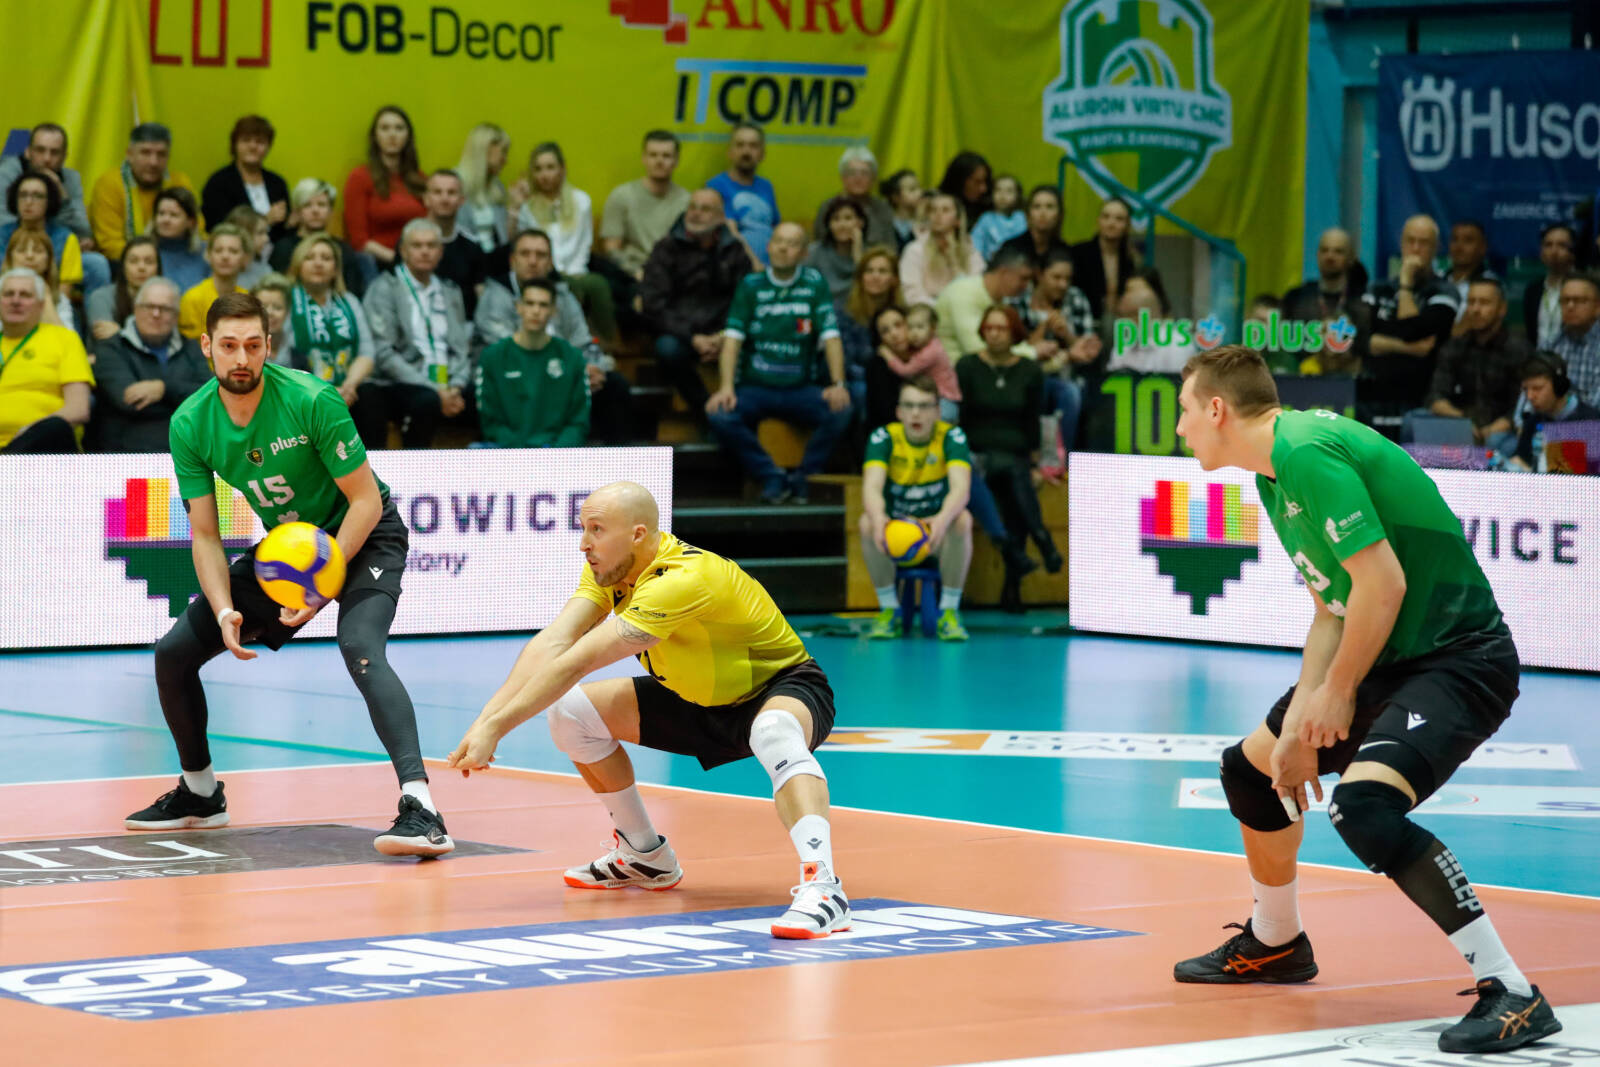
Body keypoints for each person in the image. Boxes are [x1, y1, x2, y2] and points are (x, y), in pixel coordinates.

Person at [1170, 346, 1562, 1056]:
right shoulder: (1273, 474)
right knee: (1251, 771)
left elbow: (1383, 585)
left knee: (1364, 806)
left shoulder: (1306, 452)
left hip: (1460, 658)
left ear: (1217, 409)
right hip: (1391, 654)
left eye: (1184, 411)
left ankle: (1513, 991)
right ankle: (1276, 942)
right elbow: (1333, 607)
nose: (1180, 428)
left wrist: (1339, 692)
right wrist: (1302, 721)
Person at [123, 292, 451, 856]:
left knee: (361, 647)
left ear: (269, 346)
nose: (241, 358)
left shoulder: (311, 399)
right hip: (291, 550)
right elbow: (205, 535)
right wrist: (223, 609)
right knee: (173, 653)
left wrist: (323, 585)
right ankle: (200, 793)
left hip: (365, 533)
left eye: (253, 345)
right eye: (229, 346)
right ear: (206, 347)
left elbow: (366, 501)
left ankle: (423, 809)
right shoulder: (191, 422)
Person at [446, 481, 851, 939]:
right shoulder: (611, 570)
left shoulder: (682, 579)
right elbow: (555, 642)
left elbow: (577, 661)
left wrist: (498, 727)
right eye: (583, 528)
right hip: (692, 699)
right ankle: (644, 855)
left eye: (597, 529)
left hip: (779, 688)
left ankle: (824, 888)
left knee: (774, 730)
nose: (584, 543)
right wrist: (485, 721)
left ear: (638, 534)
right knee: (571, 714)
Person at [708, 222, 851, 505]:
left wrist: (838, 383)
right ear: (769, 246)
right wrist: (726, 387)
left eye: (792, 243)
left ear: (804, 252)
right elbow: (732, 340)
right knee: (720, 414)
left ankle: (804, 478)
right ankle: (770, 476)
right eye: (779, 242)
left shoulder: (814, 283)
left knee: (842, 409)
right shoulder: (751, 285)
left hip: (801, 389)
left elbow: (832, 338)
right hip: (756, 388)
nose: (784, 248)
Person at [474, 228, 631, 445]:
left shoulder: (563, 296)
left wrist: (592, 366)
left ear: (550, 262)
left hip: (561, 372)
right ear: (512, 260)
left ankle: (614, 459)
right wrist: (566, 368)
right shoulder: (495, 294)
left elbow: (582, 341)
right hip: (514, 376)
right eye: (525, 254)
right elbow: (505, 348)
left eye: (540, 255)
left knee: (613, 385)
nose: (533, 261)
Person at [956, 305, 1062, 608]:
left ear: (1014, 332)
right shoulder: (967, 366)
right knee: (1013, 481)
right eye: (989, 328)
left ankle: (1013, 582)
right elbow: (961, 418)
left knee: (1015, 491)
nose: (994, 334)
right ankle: (1041, 541)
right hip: (977, 456)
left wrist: (1037, 465)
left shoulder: (1029, 371)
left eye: (1001, 328)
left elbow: (1034, 421)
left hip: (1016, 456)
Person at [861, 376, 972, 641]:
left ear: (937, 411)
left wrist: (942, 519)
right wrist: (879, 518)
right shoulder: (884, 437)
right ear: (899, 411)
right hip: (896, 531)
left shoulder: (952, 436)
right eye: (909, 405)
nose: (915, 413)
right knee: (866, 522)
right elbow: (872, 486)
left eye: (924, 406)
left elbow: (961, 488)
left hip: (936, 531)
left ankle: (949, 613)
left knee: (962, 519)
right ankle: (889, 611)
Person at [638, 188, 753, 414]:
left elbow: (746, 299)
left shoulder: (734, 250)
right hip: (680, 333)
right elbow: (654, 305)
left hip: (723, 331)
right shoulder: (666, 247)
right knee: (667, 349)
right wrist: (692, 337)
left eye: (705, 209)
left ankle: (746, 411)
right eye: (692, 207)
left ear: (721, 218)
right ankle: (706, 410)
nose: (696, 213)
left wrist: (724, 335)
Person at [362, 218, 472, 448]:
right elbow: (384, 354)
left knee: (488, 394)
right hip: (402, 381)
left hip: (449, 380)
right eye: (417, 245)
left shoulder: (451, 291)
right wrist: (434, 389)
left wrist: (456, 386)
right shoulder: (384, 288)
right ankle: (414, 468)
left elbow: (462, 349)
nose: (425, 251)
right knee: (426, 401)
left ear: (441, 252)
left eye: (431, 245)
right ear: (403, 250)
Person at [89, 277, 210, 452]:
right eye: (149, 306)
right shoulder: (111, 348)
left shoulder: (191, 348)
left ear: (176, 316)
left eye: (165, 309)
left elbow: (209, 398)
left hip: (188, 450)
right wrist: (185, 400)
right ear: (135, 309)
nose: (156, 314)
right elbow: (128, 402)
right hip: (127, 453)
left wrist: (163, 389)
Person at [512, 142, 615, 343]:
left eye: (550, 167)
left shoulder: (581, 201)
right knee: (566, 287)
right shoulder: (528, 208)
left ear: (562, 168)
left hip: (576, 270)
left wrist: (576, 271)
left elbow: (584, 242)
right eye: (538, 169)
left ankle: (607, 344)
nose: (545, 175)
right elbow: (524, 245)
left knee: (597, 284)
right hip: (543, 271)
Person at [474, 278, 589, 448]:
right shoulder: (493, 357)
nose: (536, 311)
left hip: (556, 453)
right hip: (508, 451)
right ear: (518, 307)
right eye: (529, 303)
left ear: (553, 310)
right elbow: (490, 422)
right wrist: (525, 455)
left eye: (543, 305)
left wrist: (555, 454)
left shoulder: (572, 357)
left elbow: (578, 421)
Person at [1364, 214, 1460, 413]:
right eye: (1410, 241)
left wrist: (1405, 284)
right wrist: (1409, 348)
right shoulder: (1377, 289)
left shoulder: (1445, 292)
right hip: (1374, 394)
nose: (1415, 248)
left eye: (1423, 243)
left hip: (1421, 397)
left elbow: (1411, 331)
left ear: (1436, 248)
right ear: (1401, 244)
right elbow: (1360, 339)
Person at [1420, 279, 1526, 450]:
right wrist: (1463, 422)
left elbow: (1522, 405)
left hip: (1501, 429)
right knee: (1413, 419)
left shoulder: (1518, 350)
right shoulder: (1455, 346)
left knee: (1496, 442)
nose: (1476, 309)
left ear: (1502, 309)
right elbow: (1436, 396)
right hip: (1459, 423)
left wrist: (1494, 429)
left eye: (1484, 303)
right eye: (1471, 302)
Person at [0, 268, 92, 453]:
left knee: (55, 427)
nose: (15, 301)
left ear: (41, 305)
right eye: (8, 294)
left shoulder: (64, 339)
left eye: (25, 295)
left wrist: (30, 431)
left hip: (42, 448)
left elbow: (79, 408)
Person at [282, 235, 376, 413]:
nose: (318, 264)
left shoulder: (349, 301)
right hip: (301, 388)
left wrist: (349, 385)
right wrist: (323, 390)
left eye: (326, 258)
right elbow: (283, 356)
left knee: (371, 395)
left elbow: (366, 351)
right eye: (310, 258)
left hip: (347, 388)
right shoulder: (286, 301)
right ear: (298, 265)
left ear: (335, 269)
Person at [89, 123, 197, 261]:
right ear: (129, 154)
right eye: (145, 153)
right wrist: (150, 262)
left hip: (178, 257)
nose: (153, 162)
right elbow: (110, 244)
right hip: (127, 262)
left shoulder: (179, 182)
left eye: (161, 154)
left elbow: (196, 229)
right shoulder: (110, 184)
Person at [343, 106, 427, 270]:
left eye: (399, 128)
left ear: (408, 136)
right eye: (385, 128)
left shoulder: (420, 178)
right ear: (375, 136)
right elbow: (359, 241)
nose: (392, 135)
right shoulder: (360, 177)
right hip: (378, 264)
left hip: (420, 262)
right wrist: (399, 260)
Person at [599, 130, 690, 280]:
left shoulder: (686, 201)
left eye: (666, 156)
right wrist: (636, 272)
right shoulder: (622, 196)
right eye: (653, 155)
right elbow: (611, 248)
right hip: (632, 274)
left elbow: (691, 248)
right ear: (644, 158)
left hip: (673, 274)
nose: (659, 161)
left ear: (676, 160)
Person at [1282, 227, 1370, 376]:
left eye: (1338, 251)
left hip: (1349, 379)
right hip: (1303, 378)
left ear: (1351, 258)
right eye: (1324, 250)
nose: (1330, 256)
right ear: (1317, 255)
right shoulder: (1296, 298)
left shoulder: (1363, 301)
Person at [865, 304, 959, 429]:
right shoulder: (877, 366)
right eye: (885, 331)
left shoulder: (925, 350)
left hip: (943, 402)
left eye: (899, 325)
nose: (894, 334)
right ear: (880, 339)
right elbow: (885, 415)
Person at [935, 244, 1035, 359]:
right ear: (1004, 272)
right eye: (1023, 278)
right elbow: (976, 348)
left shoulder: (1002, 299)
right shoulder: (963, 292)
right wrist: (1033, 353)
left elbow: (1014, 341)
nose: (1026, 286)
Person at [268, 178, 366, 295]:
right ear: (297, 211)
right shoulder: (283, 248)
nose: (315, 210)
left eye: (321, 205)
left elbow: (352, 291)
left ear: (331, 211)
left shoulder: (343, 249)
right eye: (307, 205)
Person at [200, 115, 289, 242]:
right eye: (246, 140)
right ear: (234, 144)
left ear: (268, 146)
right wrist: (265, 221)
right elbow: (217, 227)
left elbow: (284, 228)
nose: (253, 146)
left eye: (260, 142)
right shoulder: (218, 183)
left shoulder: (277, 183)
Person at [836, 246, 903, 413]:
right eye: (869, 271)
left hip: (897, 375)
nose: (875, 276)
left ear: (894, 279)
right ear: (861, 277)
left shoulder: (902, 313)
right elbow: (846, 362)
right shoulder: (844, 313)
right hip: (857, 380)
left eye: (882, 271)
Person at [1509, 352, 1600, 471]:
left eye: (1537, 388)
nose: (1530, 396)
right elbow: (1521, 459)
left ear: (1559, 386)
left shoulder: (1591, 422)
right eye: (1526, 389)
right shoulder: (1532, 421)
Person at [2, 171, 84, 299]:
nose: (28, 201)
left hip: (51, 304)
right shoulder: (1, 235)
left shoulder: (67, 239)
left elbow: (63, 294)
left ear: (49, 201)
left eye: (37, 196)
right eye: (23, 195)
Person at [710, 123, 780, 268]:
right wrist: (755, 265)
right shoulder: (716, 186)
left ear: (762, 154)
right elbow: (730, 234)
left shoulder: (766, 186)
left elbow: (776, 228)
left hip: (770, 266)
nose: (746, 151)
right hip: (737, 267)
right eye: (740, 145)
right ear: (730, 152)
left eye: (753, 146)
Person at [900, 193, 984, 308]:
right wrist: (942, 308)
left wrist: (953, 262)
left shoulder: (971, 252)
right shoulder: (914, 250)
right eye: (933, 210)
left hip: (963, 309)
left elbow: (975, 291)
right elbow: (912, 295)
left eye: (945, 210)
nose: (938, 215)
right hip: (927, 312)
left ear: (958, 220)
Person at [422, 169, 485, 317]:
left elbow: (481, 295)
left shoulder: (473, 246)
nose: (445, 199)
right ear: (426, 199)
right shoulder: (409, 243)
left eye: (451, 192)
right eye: (437, 192)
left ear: (462, 200)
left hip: (464, 325)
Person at [810, 146, 897, 251]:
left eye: (864, 173)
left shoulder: (883, 208)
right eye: (852, 173)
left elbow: (891, 248)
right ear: (842, 177)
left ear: (873, 178)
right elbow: (819, 245)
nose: (858, 178)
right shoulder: (828, 207)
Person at [1070, 197, 1139, 321]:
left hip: (1120, 323)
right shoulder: (1078, 253)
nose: (1111, 224)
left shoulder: (1131, 259)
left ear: (1127, 225)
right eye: (1106, 217)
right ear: (1098, 221)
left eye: (1119, 219)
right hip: (1083, 321)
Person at [177, 223, 250, 339]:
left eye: (233, 251)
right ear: (208, 255)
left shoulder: (248, 300)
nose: (225, 256)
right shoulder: (192, 298)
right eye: (218, 250)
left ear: (245, 258)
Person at [87, 236, 162, 341]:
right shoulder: (101, 298)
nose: (141, 267)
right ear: (123, 267)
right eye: (133, 261)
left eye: (149, 262)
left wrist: (120, 332)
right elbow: (106, 340)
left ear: (158, 268)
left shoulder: (167, 300)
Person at [454, 123, 513, 255]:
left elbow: (504, 239)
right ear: (486, 149)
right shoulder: (453, 185)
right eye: (503, 152)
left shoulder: (497, 187)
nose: (505, 160)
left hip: (494, 261)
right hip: (465, 260)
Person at [4, 229, 73, 330]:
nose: (30, 256)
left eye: (38, 251)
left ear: (48, 260)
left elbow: (66, 338)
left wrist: (45, 297)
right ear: (10, 258)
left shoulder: (59, 298)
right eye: (21, 250)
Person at [1521, 224, 1576, 349]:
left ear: (1573, 252)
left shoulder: (1582, 290)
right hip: (1538, 358)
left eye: (1562, 245)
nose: (1554, 251)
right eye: (1548, 245)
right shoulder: (1533, 290)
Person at [1547, 273, 1600, 403]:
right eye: (1565, 300)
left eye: (1579, 300)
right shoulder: (1550, 344)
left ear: (1598, 307)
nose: (1570, 306)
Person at [148, 188, 209, 295]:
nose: (166, 220)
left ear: (191, 222)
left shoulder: (206, 253)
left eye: (173, 215)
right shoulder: (145, 251)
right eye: (161, 213)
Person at [998, 186, 1071, 274]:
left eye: (1049, 207)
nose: (1043, 213)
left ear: (1060, 214)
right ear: (1028, 213)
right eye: (1037, 207)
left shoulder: (1066, 253)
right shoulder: (1011, 248)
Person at [806, 196, 867, 302]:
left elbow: (867, 287)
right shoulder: (815, 252)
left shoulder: (871, 254)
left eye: (848, 218)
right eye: (836, 219)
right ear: (829, 225)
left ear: (860, 222)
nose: (842, 225)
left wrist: (858, 252)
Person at [1445, 220, 1498, 335]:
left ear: (1483, 247)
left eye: (1468, 240)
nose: (1459, 247)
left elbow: (1462, 330)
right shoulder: (1439, 279)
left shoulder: (1490, 284)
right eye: (1455, 239)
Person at [970, 175, 1026, 263]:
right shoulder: (986, 219)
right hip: (991, 265)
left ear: (1018, 195)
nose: (1002, 195)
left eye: (1009, 191)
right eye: (998, 190)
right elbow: (975, 244)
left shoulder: (1022, 218)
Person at [249, 272, 295, 366]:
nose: (270, 313)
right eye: (263, 307)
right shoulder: (242, 350)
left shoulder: (296, 347)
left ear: (287, 312)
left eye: (277, 307)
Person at [938, 151, 991, 229]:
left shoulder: (988, 207)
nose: (983, 189)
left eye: (985, 181)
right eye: (977, 182)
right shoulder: (935, 203)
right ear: (960, 181)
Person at [879, 168, 922, 248]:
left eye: (919, 188)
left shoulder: (926, 223)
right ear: (895, 197)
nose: (919, 193)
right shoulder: (883, 226)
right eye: (912, 189)